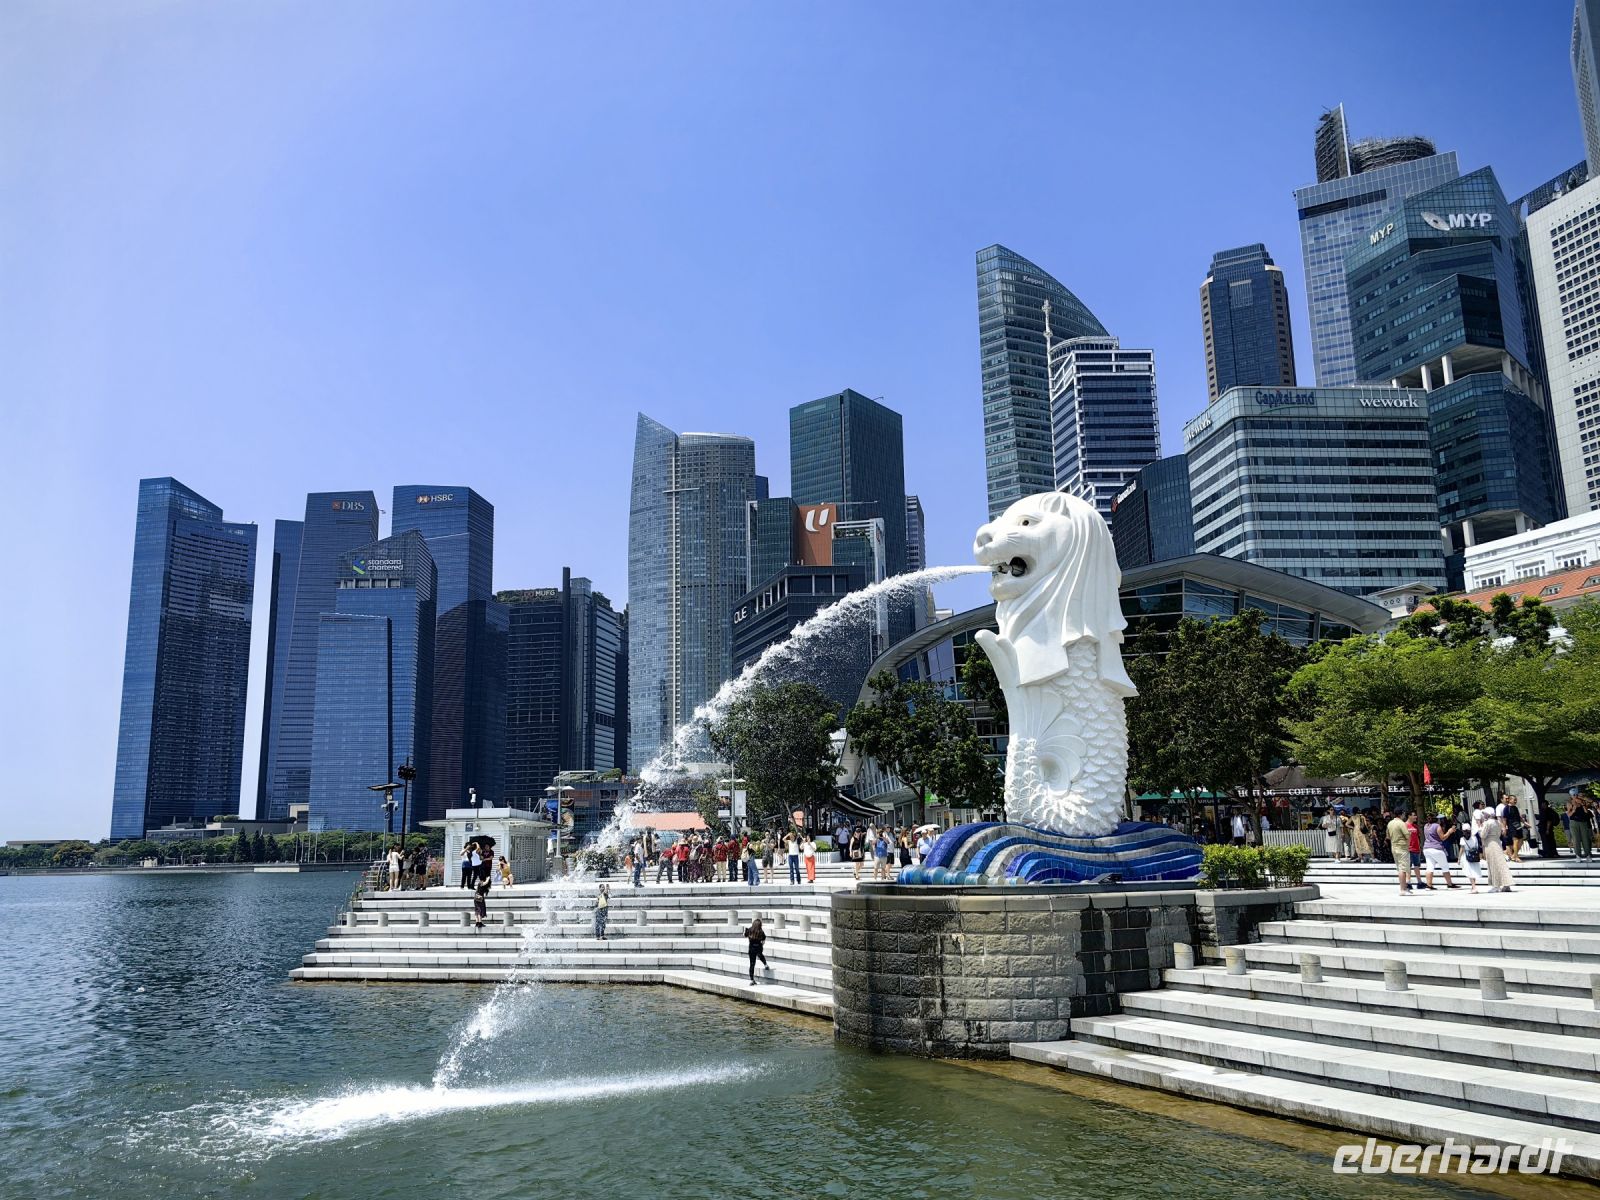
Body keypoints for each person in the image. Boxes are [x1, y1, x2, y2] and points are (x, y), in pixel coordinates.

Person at [1422, 812, 1458, 890]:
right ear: (1437, 819)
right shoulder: (1437, 826)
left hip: (1427, 848)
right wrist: (1449, 831)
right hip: (1437, 849)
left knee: (1429, 867)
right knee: (1445, 866)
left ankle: (1429, 885)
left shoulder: (1426, 826)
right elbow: (1443, 837)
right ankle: (1449, 884)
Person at [1481, 808, 1514, 892]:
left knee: (1493, 864)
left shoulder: (1487, 823)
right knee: (1501, 864)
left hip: (1490, 844)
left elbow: (1483, 835)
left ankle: (1496, 885)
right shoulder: (1497, 822)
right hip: (1497, 843)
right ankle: (1506, 884)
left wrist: (1480, 829)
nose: (1484, 815)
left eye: (1485, 813)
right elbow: (1500, 834)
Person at [1386, 809, 1411, 896]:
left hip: (1394, 847)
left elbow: (1388, 836)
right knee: (1403, 869)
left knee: (1400, 868)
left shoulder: (1390, 823)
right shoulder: (1401, 823)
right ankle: (1403, 889)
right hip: (1402, 847)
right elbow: (1407, 835)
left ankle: (1404, 888)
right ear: (1401, 814)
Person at [1457, 808, 1483, 894]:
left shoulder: (1462, 839)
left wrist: (1459, 858)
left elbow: (1462, 849)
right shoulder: (1474, 837)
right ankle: (1473, 886)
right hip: (1474, 855)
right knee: (1474, 871)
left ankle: (1474, 887)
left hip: (1466, 855)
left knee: (1469, 871)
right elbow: (1477, 846)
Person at [1569, 789, 1597, 861]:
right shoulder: (1569, 803)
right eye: (1573, 795)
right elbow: (1569, 815)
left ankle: (1587, 855)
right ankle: (1578, 855)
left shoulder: (1583, 801)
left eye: (1576, 795)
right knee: (1576, 839)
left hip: (1583, 822)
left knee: (1585, 839)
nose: (1575, 796)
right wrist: (1574, 809)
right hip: (1574, 822)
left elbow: (1586, 812)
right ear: (1571, 796)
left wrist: (1583, 804)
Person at [743, 915, 769, 984]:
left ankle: (752, 980)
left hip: (751, 949)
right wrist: (761, 944)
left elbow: (744, 935)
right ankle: (765, 964)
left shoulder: (750, 929)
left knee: (752, 964)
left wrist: (745, 932)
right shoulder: (761, 931)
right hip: (758, 947)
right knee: (760, 955)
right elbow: (763, 940)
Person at [1503, 796, 1526, 863]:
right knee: (1515, 841)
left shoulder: (1515, 808)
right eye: (1514, 800)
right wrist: (1504, 828)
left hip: (1518, 825)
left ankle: (1513, 855)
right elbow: (1504, 819)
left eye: (1516, 800)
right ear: (1510, 800)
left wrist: (1525, 823)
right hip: (1511, 826)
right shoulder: (1507, 808)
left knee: (1521, 841)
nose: (1515, 801)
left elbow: (1519, 817)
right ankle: (1516, 857)